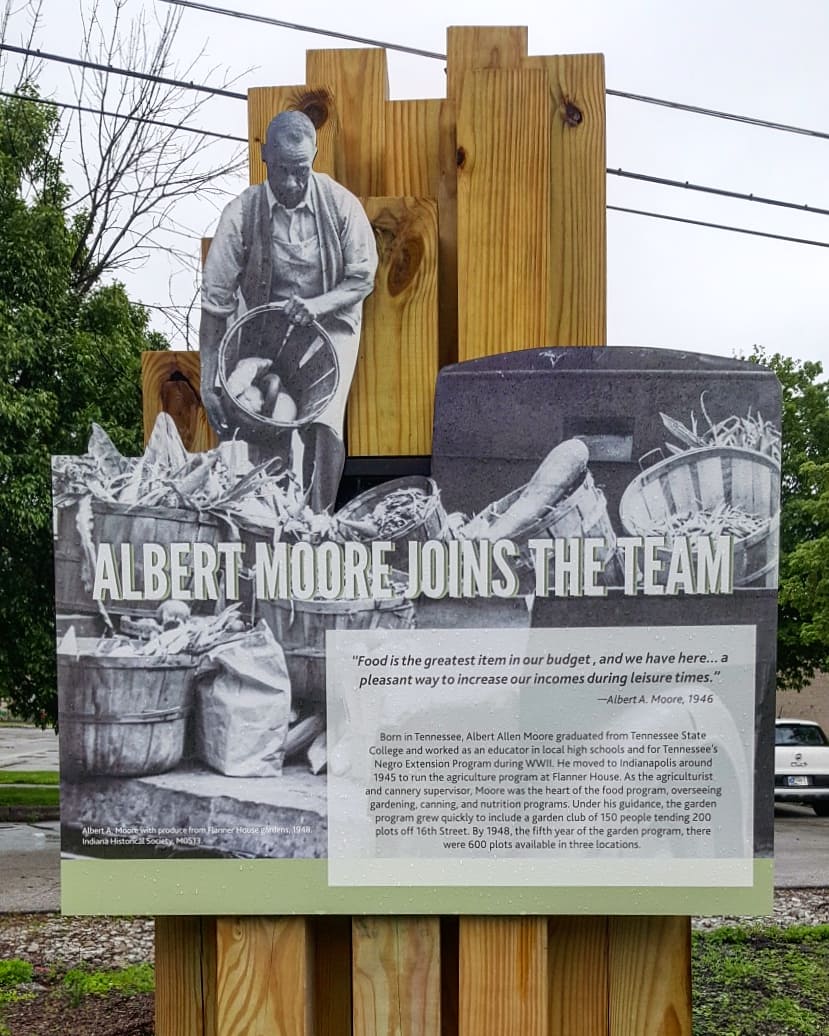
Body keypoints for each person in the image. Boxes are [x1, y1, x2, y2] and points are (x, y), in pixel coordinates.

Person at [200, 110, 378, 511]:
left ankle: (317, 519)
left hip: (331, 321)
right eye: (282, 171)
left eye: (301, 170)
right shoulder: (241, 214)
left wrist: (315, 307)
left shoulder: (340, 205)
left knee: (323, 420)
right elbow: (215, 301)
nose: (292, 183)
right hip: (263, 323)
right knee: (250, 411)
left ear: (313, 157)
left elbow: (362, 279)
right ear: (265, 159)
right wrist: (208, 379)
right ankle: (258, 509)